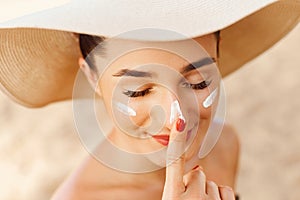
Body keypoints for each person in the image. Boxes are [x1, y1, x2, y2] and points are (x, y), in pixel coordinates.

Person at [0, 1, 299, 199]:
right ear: (91, 77)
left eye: (199, 82)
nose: (175, 118)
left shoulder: (224, 146)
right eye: (139, 91)